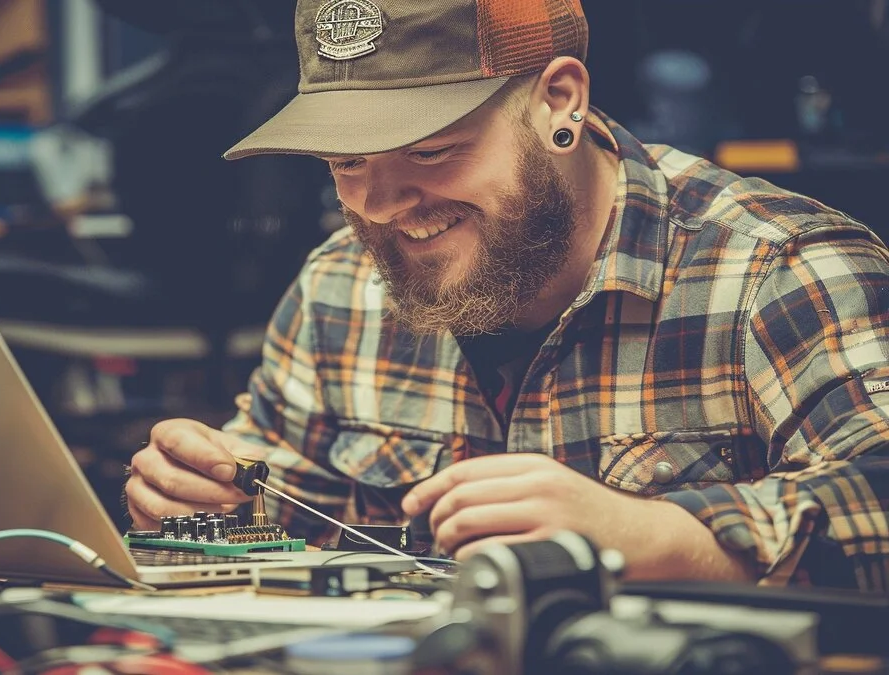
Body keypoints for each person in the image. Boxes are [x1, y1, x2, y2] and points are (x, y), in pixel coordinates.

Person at [124, 0, 889, 590]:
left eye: (431, 151)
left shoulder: (780, 270)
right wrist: (211, 505)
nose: (380, 206)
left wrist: (654, 536)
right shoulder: (340, 286)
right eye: (347, 162)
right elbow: (290, 508)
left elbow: (875, 505)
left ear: (559, 101)